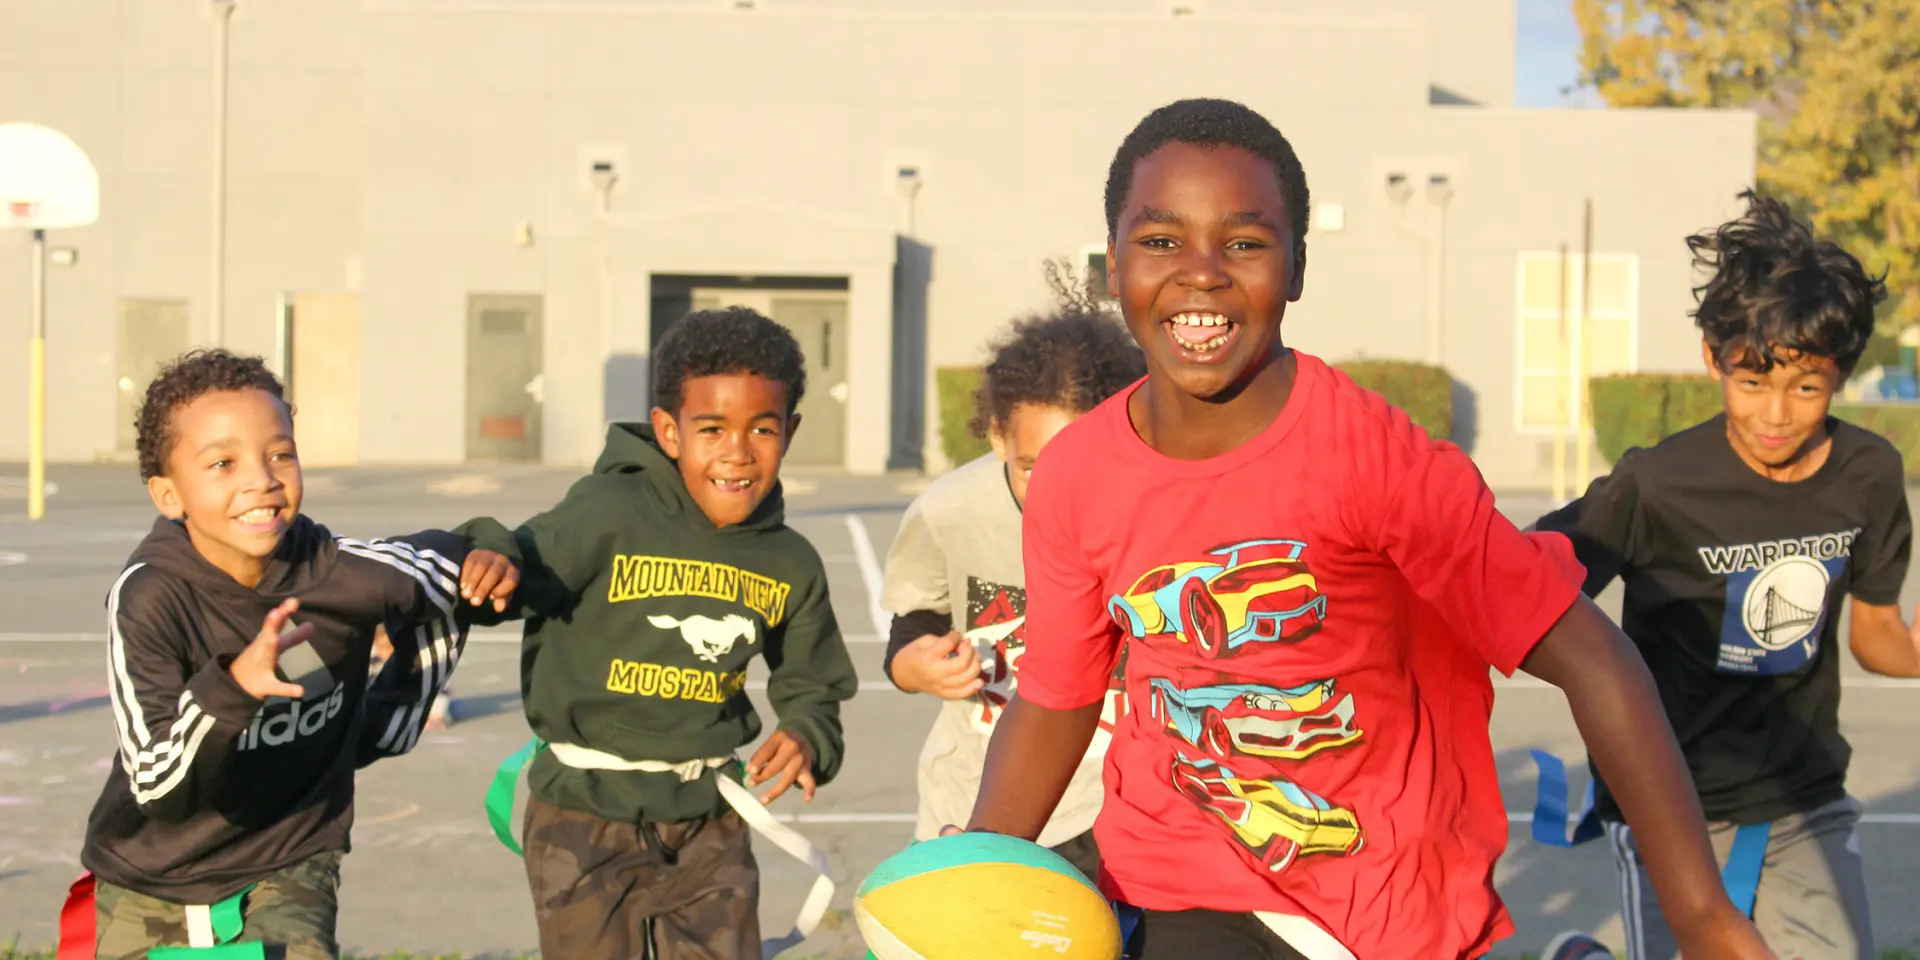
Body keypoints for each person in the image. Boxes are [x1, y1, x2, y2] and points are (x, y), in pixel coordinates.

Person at [947, 97, 1775, 960]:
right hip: (1176, 882)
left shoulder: (1373, 459)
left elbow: (1590, 656)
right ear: (1113, 264)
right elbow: (1056, 696)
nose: (1201, 273)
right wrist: (967, 878)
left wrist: (1703, 916)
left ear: (1296, 266)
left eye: (1244, 243)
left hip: (1382, 909)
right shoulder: (1080, 474)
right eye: (1161, 241)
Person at [1531, 191, 1910, 960]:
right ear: (1713, 358)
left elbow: (1877, 636)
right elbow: (1525, 584)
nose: (1775, 412)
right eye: (1751, 382)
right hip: (1668, 801)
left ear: (1840, 376)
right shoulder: (1659, 483)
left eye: (1805, 388)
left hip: (1804, 798)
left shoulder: (1869, 474)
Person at [75, 349, 518, 960]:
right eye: (223, 463)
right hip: (151, 872)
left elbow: (453, 575)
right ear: (168, 494)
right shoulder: (149, 597)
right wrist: (234, 688)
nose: (261, 478)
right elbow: (157, 785)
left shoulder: (338, 573)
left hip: (290, 855)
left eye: (279, 453)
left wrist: (389, 722)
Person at [455, 306, 859, 960]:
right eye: (712, 428)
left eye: (762, 428)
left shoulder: (790, 562)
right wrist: (489, 562)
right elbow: (519, 562)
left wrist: (807, 735)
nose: (737, 450)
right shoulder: (607, 511)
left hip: (709, 824)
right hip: (583, 818)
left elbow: (813, 685)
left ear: (791, 430)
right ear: (669, 432)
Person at [881, 301, 1146, 881]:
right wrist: (913, 666)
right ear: (999, 437)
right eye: (1035, 468)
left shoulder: (1159, 511)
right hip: (974, 803)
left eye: (1083, 470)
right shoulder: (949, 511)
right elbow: (914, 621)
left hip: (1111, 815)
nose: (1057, 495)